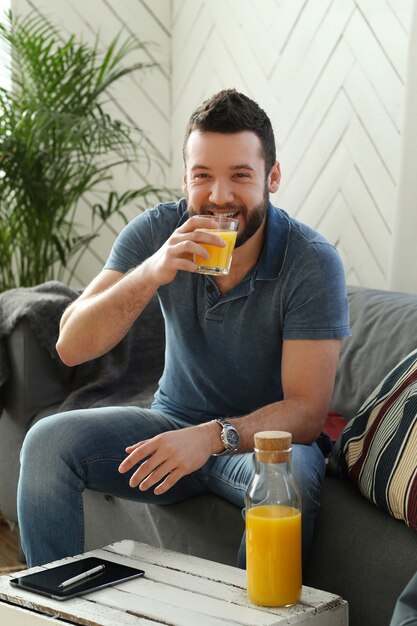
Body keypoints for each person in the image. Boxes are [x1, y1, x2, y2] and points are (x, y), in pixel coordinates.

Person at [18, 89, 350, 568]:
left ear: (272, 178)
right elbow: (71, 345)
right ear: (185, 179)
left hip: (262, 446)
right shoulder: (158, 231)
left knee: (289, 479)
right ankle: (57, 608)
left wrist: (211, 437)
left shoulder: (311, 262)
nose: (218, 196)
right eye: (203, 177)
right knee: (46, 443)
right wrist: (152, 271)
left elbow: (306, 412)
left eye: (240, 175)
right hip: (170, 423)